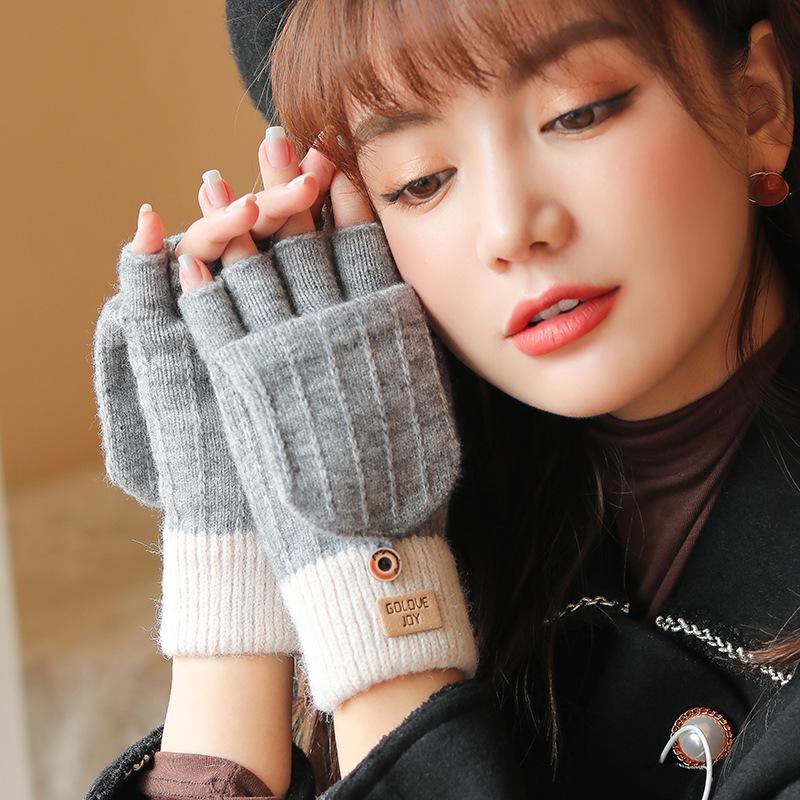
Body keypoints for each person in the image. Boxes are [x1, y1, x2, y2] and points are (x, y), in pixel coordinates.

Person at [86, 1, 800, 798]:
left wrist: (379, 581)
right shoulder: (478, 518)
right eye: (420, 181)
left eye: (577, 114)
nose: (509, 229)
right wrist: (235, 553)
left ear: (759, 104)